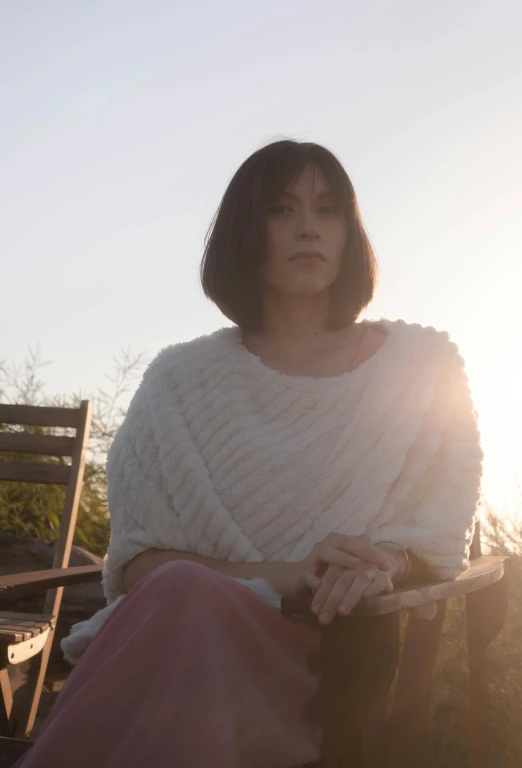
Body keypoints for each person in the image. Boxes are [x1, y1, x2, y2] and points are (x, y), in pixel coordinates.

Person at [17, 139, 483, 767]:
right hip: (182, 636)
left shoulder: (419, 367)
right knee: (183, 594)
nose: (309, 228)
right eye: (282, 209)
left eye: (328, 209)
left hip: (332, 653)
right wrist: (291, 573)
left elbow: (435, 532)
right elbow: (137, 567)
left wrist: (381, 562)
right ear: (246, 229)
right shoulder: (179, 382)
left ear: (350, 230)